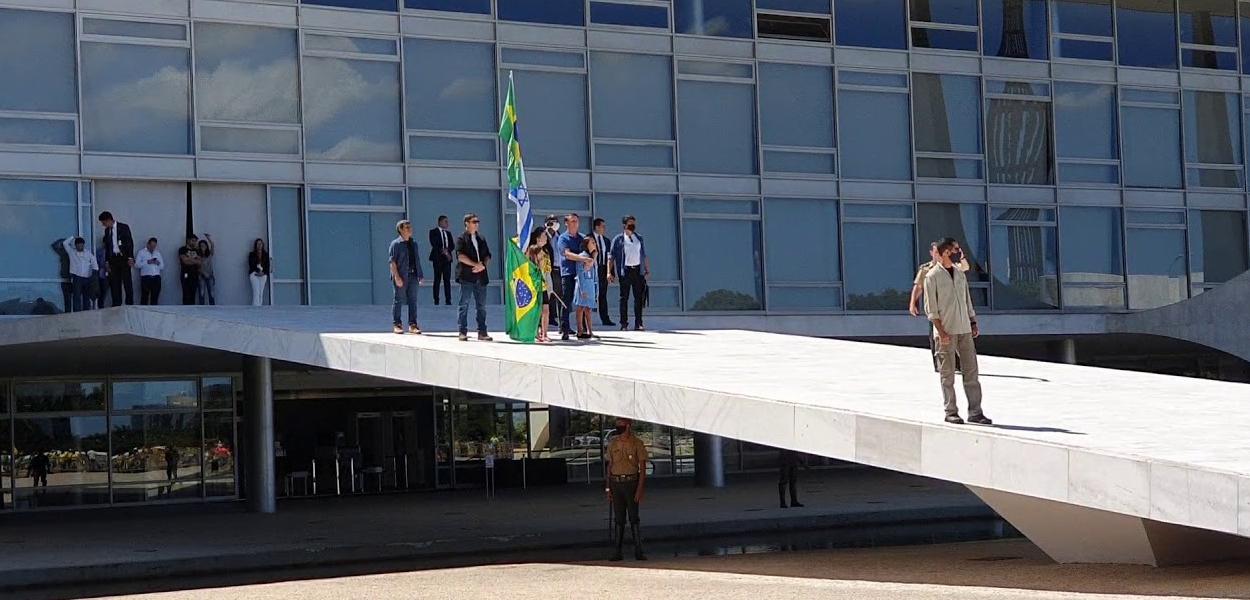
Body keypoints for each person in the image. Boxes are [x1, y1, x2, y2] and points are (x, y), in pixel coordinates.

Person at [924, 238, 991, 426]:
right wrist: (941, 332)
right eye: (955, 249)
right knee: (948, 375)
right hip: (946, 332)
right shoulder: (932, 277)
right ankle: (951, 411)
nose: (958, 252)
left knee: (972, 372)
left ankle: (976, 412)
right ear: (945, 252)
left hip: (964, 330)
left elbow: (967, 300)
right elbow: (931, 310)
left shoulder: (960, 274)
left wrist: (973, 322)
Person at [604, 417, 647, 561]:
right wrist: (608, 488)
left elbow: (643, 468)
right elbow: (609, 467)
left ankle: (638, 551)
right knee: (619, 518)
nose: (618, 428)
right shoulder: (613, 443)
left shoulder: (637, 443)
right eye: (617, 426)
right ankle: (617, 551)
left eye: (621, 426)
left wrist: (640, 489)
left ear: (628, 426)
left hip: (631, 482)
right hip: (616, 483)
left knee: (634, 518)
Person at [555, 214, 594, 341]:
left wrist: (592, 261)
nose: (575, 224)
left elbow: (593, 250)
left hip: (582, 274)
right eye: (572, 221)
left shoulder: (582, 238)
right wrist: (583, 258)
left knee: (582, 302)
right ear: (566, 223)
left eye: (576, 221)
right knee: (567, 301)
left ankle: (581, 330)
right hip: (569, 273)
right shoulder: (563, 238)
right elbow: (567, 254)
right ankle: (565, 329)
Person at [455, 213, 492, 342]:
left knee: (481, 306)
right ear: (467, 223)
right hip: (467, 277)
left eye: (477, 221)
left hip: (481, 277)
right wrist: (475, 264)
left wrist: (483, 266)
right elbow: (460, 256)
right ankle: (462, 331)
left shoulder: (481, 238)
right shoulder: (461, 238)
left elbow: (487, 255)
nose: (476, 224)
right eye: (474, 221)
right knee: (464, 305)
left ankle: (482, 332)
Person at [608, 215, 649, 331]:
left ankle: (638, 323)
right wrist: (608, 272)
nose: (632, 225)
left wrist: (647, 269)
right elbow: (611, 257)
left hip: (637, 270)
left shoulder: (639, 238)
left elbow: (643, 254)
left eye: (633, 223)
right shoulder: (619, 239)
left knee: (638, 298)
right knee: (624, 298)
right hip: (625, 270)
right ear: (624, 225)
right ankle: (624, 323)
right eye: (630, 223)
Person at [388, 219, 425, 335]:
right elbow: (392, 262)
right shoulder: (396, 244)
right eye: (407, 227)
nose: (410, 229)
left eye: (410, 227)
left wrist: (420, 274)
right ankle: (397, 324)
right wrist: (397, 277)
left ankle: (413, 324)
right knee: (398, 300)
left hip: (413, 275)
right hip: (401, 276)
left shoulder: (414, 244)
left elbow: (416, 260)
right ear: (400, 229)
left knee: (413, 300)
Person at [98, 211, 135, 306]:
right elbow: (107, 247)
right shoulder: (107, 231)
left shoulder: (123, 227)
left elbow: (129, 243)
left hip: (123, 257)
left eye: (104, 223)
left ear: (109, 220)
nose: (103, 225)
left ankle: (129, 303)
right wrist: (107, 261)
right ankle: (116, 304)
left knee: (127, 282)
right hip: (113, 259)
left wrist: (130, 257)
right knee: (114, 282)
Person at [525, 227, 553, 344]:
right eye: (544, 236)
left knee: (546, 309)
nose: (546, 238)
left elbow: (547, 268)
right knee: (536, 310)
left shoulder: (546, 251)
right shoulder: (532, 250)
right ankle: (535, 332)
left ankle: (545, 333)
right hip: (535, 284)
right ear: (537, 238)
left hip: (545, 283)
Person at [62, 235, 98, 313]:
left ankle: (86, 312)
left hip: (87, 278)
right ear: (75, 245)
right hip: (76, 277)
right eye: (78, 245)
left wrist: (94, 275)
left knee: (86, 296)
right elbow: (65, 243)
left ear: (83, 245)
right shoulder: (71, 252)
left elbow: (95, 264)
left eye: (81, 245)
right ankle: (77, 313)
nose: (80, 246)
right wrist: (72, 237)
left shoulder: (88, 253)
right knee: (76, 296)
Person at [573, 236, 600, 340]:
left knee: (588, 308)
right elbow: (581, 272)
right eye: (592, 242)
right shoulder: (582, 257)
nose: (594, 244)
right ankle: (580, 330)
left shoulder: (592, 256)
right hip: (583, 284)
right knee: (580, 307)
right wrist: (582, 289)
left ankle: (590, 331)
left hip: (590, 284)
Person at [590, 218, 615, 328]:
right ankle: (587, 319)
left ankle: (605, 318)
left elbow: (610, 257)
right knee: (591, 294)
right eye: (602, 226)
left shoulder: (606, 241)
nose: (604, 228)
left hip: (603, 269)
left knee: (603, 294)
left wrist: (611, 272)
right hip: (592, 269)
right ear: (597, 227)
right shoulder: (589, 238)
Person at [428, 215, 455, 306]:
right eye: (445, 221)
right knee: (437, 279)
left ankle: (448, 300)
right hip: (438, 258)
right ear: (440, 222)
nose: (447, 223)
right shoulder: (433, 232)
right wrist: (442, 251)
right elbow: (434, 244)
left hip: (447, 259)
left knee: (447, 279)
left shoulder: (448, 233)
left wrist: (448, 251)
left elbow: (452, 245)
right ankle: (436, 300)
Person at [543, 215, 562, 329]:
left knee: (559, 293)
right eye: (551, 222)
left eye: (555, 222)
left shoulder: (559, 235)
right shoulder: (545, 235)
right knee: (549, 292)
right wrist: (548, 232)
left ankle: (556, 317)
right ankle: (549, 317)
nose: (553, 224)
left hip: (559, 267)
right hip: (549, 268)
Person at [135, 237, 165, 305]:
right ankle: (143, 313)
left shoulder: (157, 253)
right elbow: (137, 265)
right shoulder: (141, 252)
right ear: (148, 245)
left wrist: (158, 263)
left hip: (156, 278)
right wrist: (147, 262)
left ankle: (153, 313)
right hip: (146, 278)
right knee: (144, 297)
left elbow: (162, 266)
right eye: (151, 246)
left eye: (154, 246)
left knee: (155, 297)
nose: (153, 248)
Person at [177, 235, 202, 305]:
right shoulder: (182, 249)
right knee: (186, 292)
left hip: (195, 274)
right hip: (185, 274)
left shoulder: (197, 251)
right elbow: (185, 261)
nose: (194, 242)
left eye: (195, 241)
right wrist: (194, 259)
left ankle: (192, 312)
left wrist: (189, 259)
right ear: (188, 240)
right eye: (193, 240)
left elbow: (200, 262)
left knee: (193, 293)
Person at [248, 238, 271, 306]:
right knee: (256, 292)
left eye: (261, 244)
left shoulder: (266, 255)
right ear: (256, 245)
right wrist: (258, 271)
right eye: (258, 244)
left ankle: (259, 308)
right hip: (254, 274)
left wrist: (263, 272)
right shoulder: (252, 254)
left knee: (261, 293)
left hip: (263, 275)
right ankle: (255, 308)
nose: (259, 245)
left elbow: (267, 266)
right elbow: (251, 265)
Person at [197, 235, 215, 306]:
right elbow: (198, 267)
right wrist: (204, 273)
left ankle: (213, 308)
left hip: (210, 275)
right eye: (201, 246)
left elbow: (212, 245)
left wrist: (208, 238)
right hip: (201, 276)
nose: (203, 247)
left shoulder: (209, 254)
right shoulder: (198, 256)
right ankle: (201, 308)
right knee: (202, 293)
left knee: (211, 293)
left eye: (204, 245)